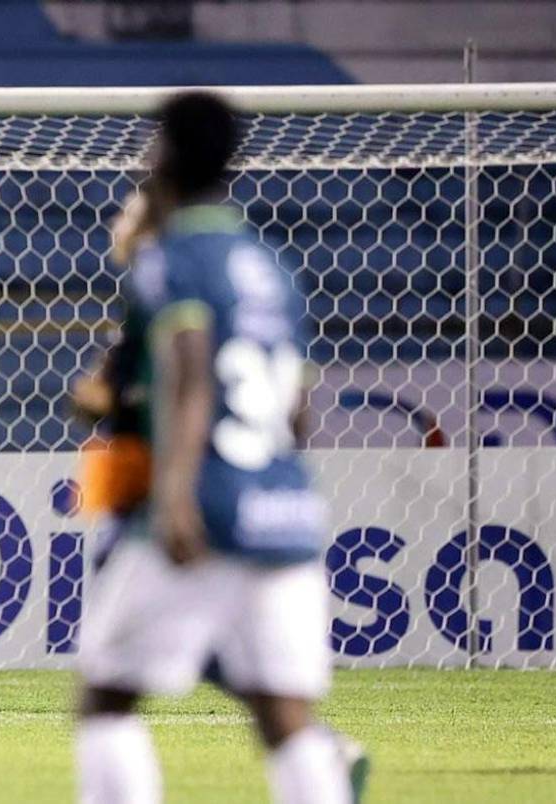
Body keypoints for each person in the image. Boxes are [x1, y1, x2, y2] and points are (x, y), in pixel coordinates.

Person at [73, 91, 367, 803]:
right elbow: (299, 410)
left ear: (164, 153)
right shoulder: (272, 268)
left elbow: (189, 371)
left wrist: (176, 495)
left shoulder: (174, 258)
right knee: (283, 715)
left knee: (107, 696)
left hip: (207, 501)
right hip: (282, 506)